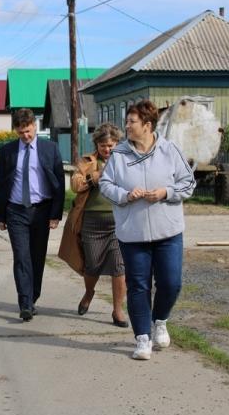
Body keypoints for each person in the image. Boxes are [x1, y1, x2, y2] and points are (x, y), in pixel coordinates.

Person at [99, 100, 195, 360]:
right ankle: (142, 338)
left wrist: (166, 192)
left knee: (171, 283)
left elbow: (188, 183)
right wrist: (125, 195)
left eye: (131, 122)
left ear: (147, 125)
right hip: (133, 233)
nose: (126, 126)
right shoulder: (118, 154)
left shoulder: (170, 150)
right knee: (138, 286)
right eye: (127, 121)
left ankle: (160, 320)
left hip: (168, 232)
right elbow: (105, 185)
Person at [0, 108, 64, 322]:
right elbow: (1, 184)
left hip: (41, 210)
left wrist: (55, 214)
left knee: (37, 257)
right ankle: (25, 302)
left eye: (29, 131)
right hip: (15, 210)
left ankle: (33, 297)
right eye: (21, 132)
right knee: (22, 257)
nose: (26, 136)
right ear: (15, 130)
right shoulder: (7, 152)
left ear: (35, 126)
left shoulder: (50, 149)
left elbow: (58, 184)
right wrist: (1, 215)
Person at [59, 123, 128, 327]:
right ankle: (89, 293)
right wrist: (96, 176)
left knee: (119, 266)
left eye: (111, 145)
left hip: (118, 223)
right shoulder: (87, 161)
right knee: (92, 266)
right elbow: (75, 184)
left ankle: (117, 310)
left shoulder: (124, 161)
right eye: (103, 145)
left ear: (117, 144)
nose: (107, 149)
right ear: (97, 144)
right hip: (91, 222)